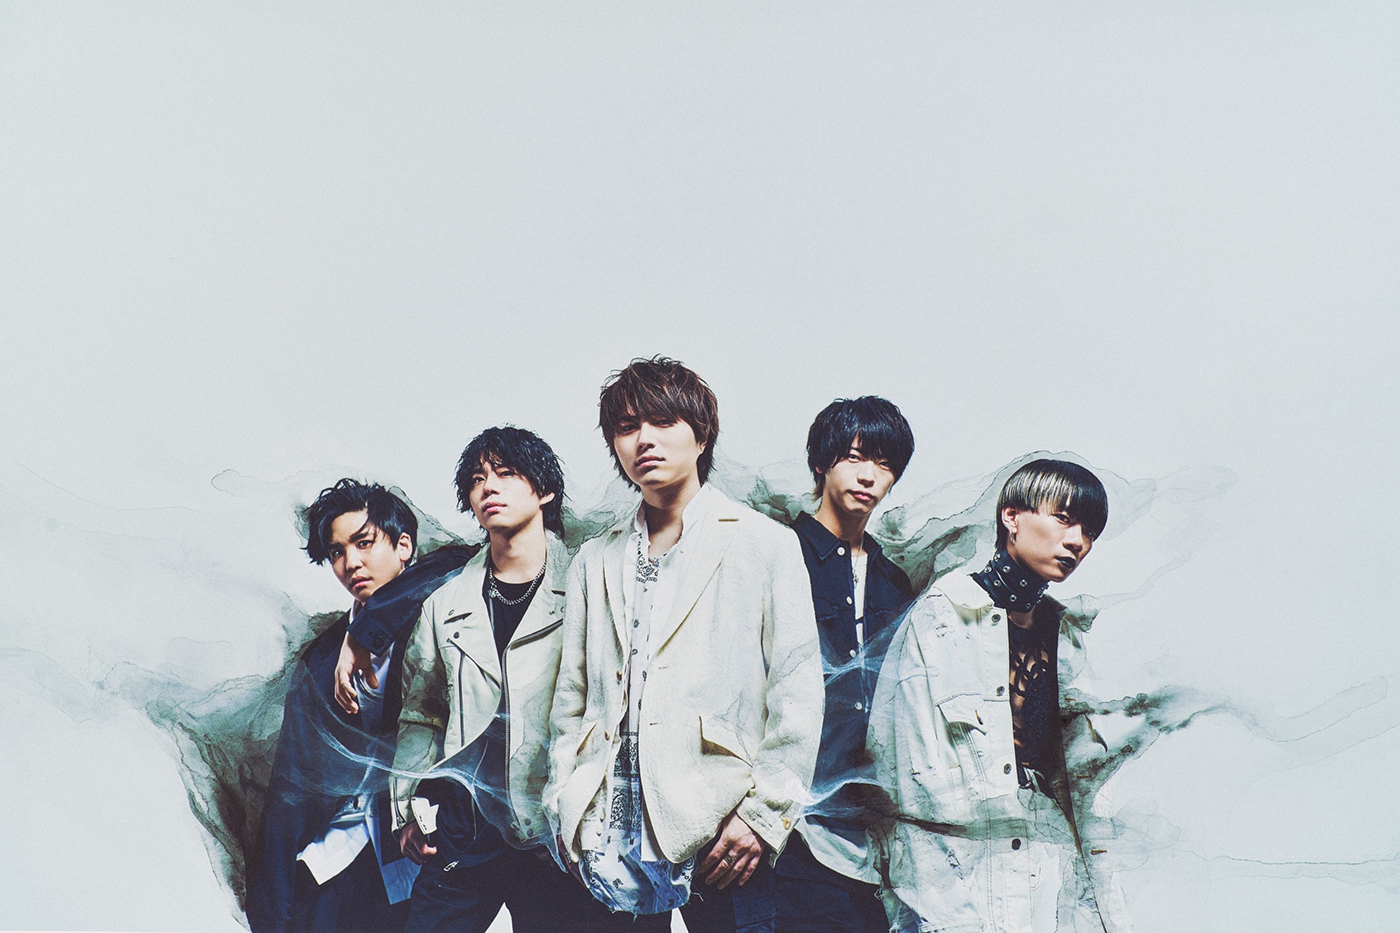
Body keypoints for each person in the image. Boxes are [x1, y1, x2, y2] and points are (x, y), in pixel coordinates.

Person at [545, 356, 824, 932]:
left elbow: (797, 695)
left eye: (662, 421)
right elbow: (570, 699)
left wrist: (763, 817)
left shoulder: (764, 544)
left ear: (702, 435)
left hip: (720, 822)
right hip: (606, 826)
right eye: (627, 427)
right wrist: (563, 808)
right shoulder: (595, 558)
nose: (644, 439)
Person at [339, 427, 591, 933]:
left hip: (556, 830)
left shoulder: (588, 585)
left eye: (506, 473)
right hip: (466, 825)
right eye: (477, 479)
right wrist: (408, 808)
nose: (488, 487)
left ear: (544, 491)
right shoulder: (445, 603)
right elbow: (421, 716)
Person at [867, 458, 1114, 933]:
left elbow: (1086, 783)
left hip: (1049, 870)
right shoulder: (946, 613)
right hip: (963, 876)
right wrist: (947, 913)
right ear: (1011, 517)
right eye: (1064, 519)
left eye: (1090, 532)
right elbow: (910, 773)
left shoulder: (1065, 633)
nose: (1078, 542)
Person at [247, 479, 424, 933]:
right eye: (337, 552)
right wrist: (273, 913)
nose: (351, 563)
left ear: (404, 546)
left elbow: (469, 558)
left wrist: (368, 629)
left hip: (412, 859)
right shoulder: (322, 659)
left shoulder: (446, 623)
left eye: (364, 543)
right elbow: (289, 789)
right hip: (331, 858)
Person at [775, 397, 917, 933]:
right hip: (784, 828)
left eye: (884, 464)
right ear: (821, 462)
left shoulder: (894, 583)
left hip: (869, 841)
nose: (868, 475)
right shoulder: (777, 554)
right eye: (855, 457)